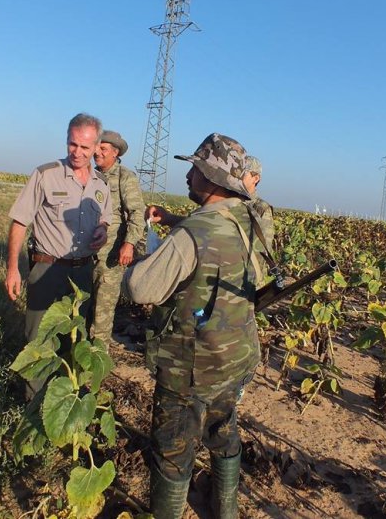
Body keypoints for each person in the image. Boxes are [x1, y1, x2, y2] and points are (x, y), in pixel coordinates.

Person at [122, 133, 260, 519]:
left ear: (213, 178)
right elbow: (215, 235)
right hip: (236, 356)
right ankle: (225, 509)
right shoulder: (249, 221)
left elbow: (140, 288)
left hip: (191, 367)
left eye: (196, 168)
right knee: (223, 430)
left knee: (172, 450)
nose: (188, 174)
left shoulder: (193, 233)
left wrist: (130, 266)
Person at [4, 113, 112, 397]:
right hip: (47, 270)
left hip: (82, 273)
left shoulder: (101, 185)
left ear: (97, 147)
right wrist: (12, 268)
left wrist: (103, 230)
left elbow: (105, 220)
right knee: (39, 342)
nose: (77, 153)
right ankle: (31, 408)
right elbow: (19, 222)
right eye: (72, 145)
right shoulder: (45, 175)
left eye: (85, 148)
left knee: (73, 341)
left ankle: (61, 402)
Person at [90, 130, 145, 348]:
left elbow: (136, 214)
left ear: (115, 153)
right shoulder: (90, 176)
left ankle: (96, 364)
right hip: (85, 255)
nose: (97, 152)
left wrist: (129, 244)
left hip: (110, 257)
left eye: (102, 149)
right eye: (96, 148)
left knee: (102, 313)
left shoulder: (125, 177)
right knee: (83, 306)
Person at [242, 155, 275, 252]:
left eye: (243, 173)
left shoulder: (261, 208)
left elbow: (264, 249)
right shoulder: (228, 201)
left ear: (255, 178)